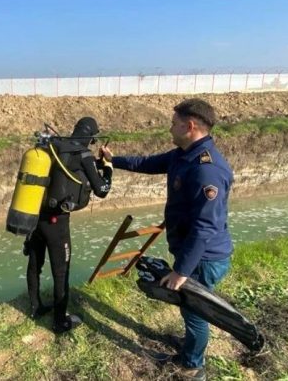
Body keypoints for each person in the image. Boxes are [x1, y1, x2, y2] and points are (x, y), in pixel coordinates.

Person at [101, 99, 233, 381]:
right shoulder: (183, 154)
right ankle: (190, 352)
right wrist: (113, 160)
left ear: (190, 126)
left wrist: (181, 272)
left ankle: (193, 367)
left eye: (173, 124)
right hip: (194, 252)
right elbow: (148, 163)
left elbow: (204, 226)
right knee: (191, 310)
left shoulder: (206, 169)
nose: (169, 128)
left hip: (205, 257)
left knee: (195, 312)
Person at [25, 117, 113, 333]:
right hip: (57, 222)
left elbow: (68, 170)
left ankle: (35, 308)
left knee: (35, 263)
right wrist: (108, 166)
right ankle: (59, 322)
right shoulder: (83, 154)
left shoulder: (53, 146)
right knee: (61, 271)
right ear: (91, 137)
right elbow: (102, 189)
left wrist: (96, 163)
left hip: (36, 216)